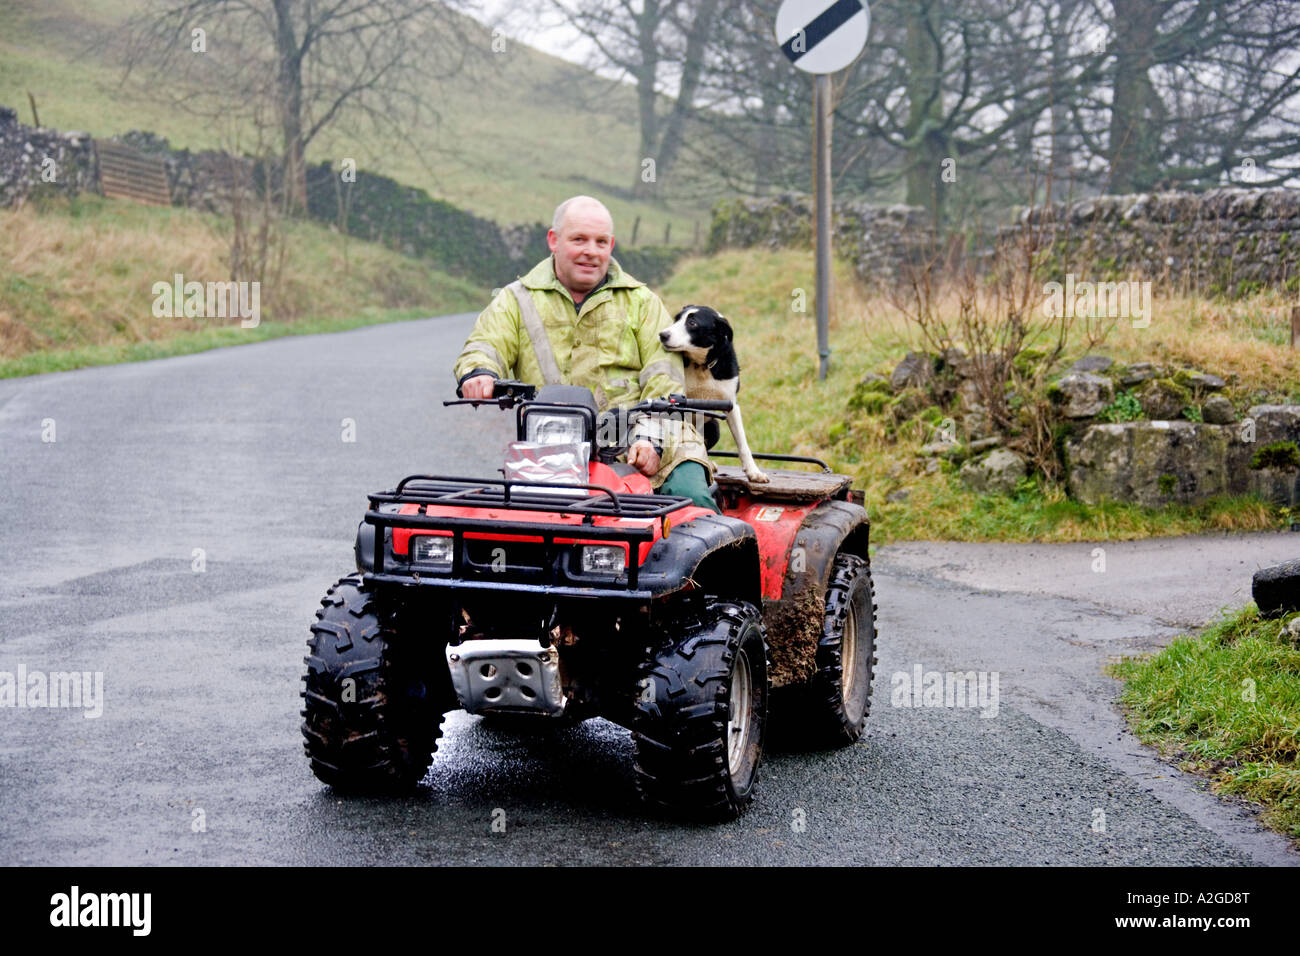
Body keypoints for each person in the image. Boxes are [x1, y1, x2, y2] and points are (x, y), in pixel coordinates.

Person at [453, 195, 718, 511]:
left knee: (693, 508)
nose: (591, 252)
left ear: (611, 245)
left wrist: (650, 442)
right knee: (522, 525)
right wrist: (479, 372)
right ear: (554, 240)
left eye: (600, 242)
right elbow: (486, 343)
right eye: (579, 239)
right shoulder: (516, 299)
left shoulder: (643, 302)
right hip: (556, 444)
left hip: (654, 436)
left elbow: (665, 381)